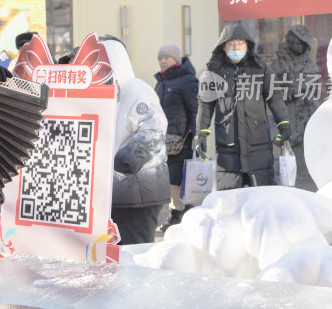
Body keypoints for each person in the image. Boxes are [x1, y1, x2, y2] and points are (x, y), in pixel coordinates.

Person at [194, 24, 291, 189]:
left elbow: (275, 98)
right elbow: (205, 104)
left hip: (258, 144)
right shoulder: (213, 73)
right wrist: (201, 133)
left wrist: (284, 125)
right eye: (231, 44)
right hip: (228, 147)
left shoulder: (261, 70)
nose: (236, 48)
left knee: (261, 197)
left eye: (240, 44)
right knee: (230, 201)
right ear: (223, 47)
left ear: (248, 46)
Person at [103, 36, 170, 244]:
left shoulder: (136, 90)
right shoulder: (105, 95)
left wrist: (119, 163)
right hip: (115, 193)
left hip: (139, 193)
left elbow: (153, 129)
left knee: (134, 257)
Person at [153, 43, 199, 232]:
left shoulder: (188, 81)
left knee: (177, 179)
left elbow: (196, 110)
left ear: (177, 59)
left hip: (183, 139)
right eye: (160, 58)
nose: (163, 61)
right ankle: (181, 212)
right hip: (164, 141)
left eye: (167, 57)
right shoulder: (161, 82)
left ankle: (179, 214)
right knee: (169, 179)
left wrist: (197, 136)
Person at [271, 25, 319, 181]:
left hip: (304, 106)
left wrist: (301, 88)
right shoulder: (281, 60)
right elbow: (272, 84)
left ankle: (305, 172)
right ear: (290, 42)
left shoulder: (308, 60)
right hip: (287, 106)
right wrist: (287, 89)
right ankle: (288, 172)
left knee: (306, 138)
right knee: (289, 137)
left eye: (301, 43)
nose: (299, 46)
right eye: (296, 43)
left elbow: (313, 78)